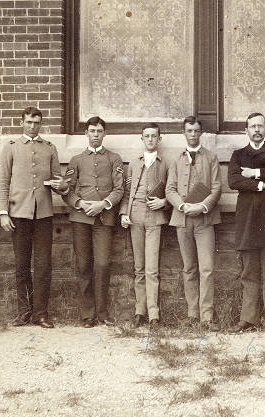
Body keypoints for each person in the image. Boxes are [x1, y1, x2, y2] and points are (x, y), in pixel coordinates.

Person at [0, 107, 68, 328]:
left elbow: (58, 181)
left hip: (44, 214)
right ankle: (23, 312)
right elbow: (2, 182)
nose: (32, 126)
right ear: (21, 123)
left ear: (41, 124)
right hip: (18, 214)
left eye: (36, 122)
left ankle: (41, 313)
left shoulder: (49, 148)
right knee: (21, 265)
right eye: (28, 122)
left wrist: (63, 186)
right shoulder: (11, 148)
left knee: (43, 264)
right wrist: (2, 212)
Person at [227, 113, 265, 335]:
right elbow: (233, 180)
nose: (256, 130)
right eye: (252, 126)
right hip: (247, 218)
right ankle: (248, 318)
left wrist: (254, 173)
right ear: (246, 130)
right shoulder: (238, 155)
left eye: (260, 126)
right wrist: (262, 185)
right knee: (249, 271)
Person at [64, 116, 124, 328]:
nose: (95, 135)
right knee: (83, 265)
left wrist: (104, 204)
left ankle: (102, 313)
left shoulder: (114, 159)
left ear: (104, 134)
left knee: (102, 263)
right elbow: (67, 190)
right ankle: (87, 314)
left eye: (99, 131)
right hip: (81, 218)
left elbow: (119, 189)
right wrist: (79, 203)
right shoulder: (77, 160)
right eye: (92, 131)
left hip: (104, 218)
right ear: (86, 134)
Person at [166, 116, 222, 332]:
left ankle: (206, 316)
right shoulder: (176, 159)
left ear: (201, 133)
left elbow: (216, 188)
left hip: (205, 221)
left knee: (206, 268)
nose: (193, 134)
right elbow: (169, 189)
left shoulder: (211, 158)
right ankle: (192, 314)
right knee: (189, 268)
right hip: (182, 220)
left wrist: (201, 206)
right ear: (184, 133)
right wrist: (181, 206)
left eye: (196, 131)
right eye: (189, 131)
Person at [120, 123, 169, 331]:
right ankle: (140, 312)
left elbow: (172, 191)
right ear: (142, 139)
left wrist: (164, 202)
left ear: (159, 139)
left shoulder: (165, 164)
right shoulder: (133, 163)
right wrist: (124, 213)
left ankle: (154, 314)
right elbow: (127, 191)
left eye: (154, 136)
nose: (150, 139)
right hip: (135, 218)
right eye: (146, 136)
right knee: (138, 267)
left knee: (152, 268)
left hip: (155, 218)